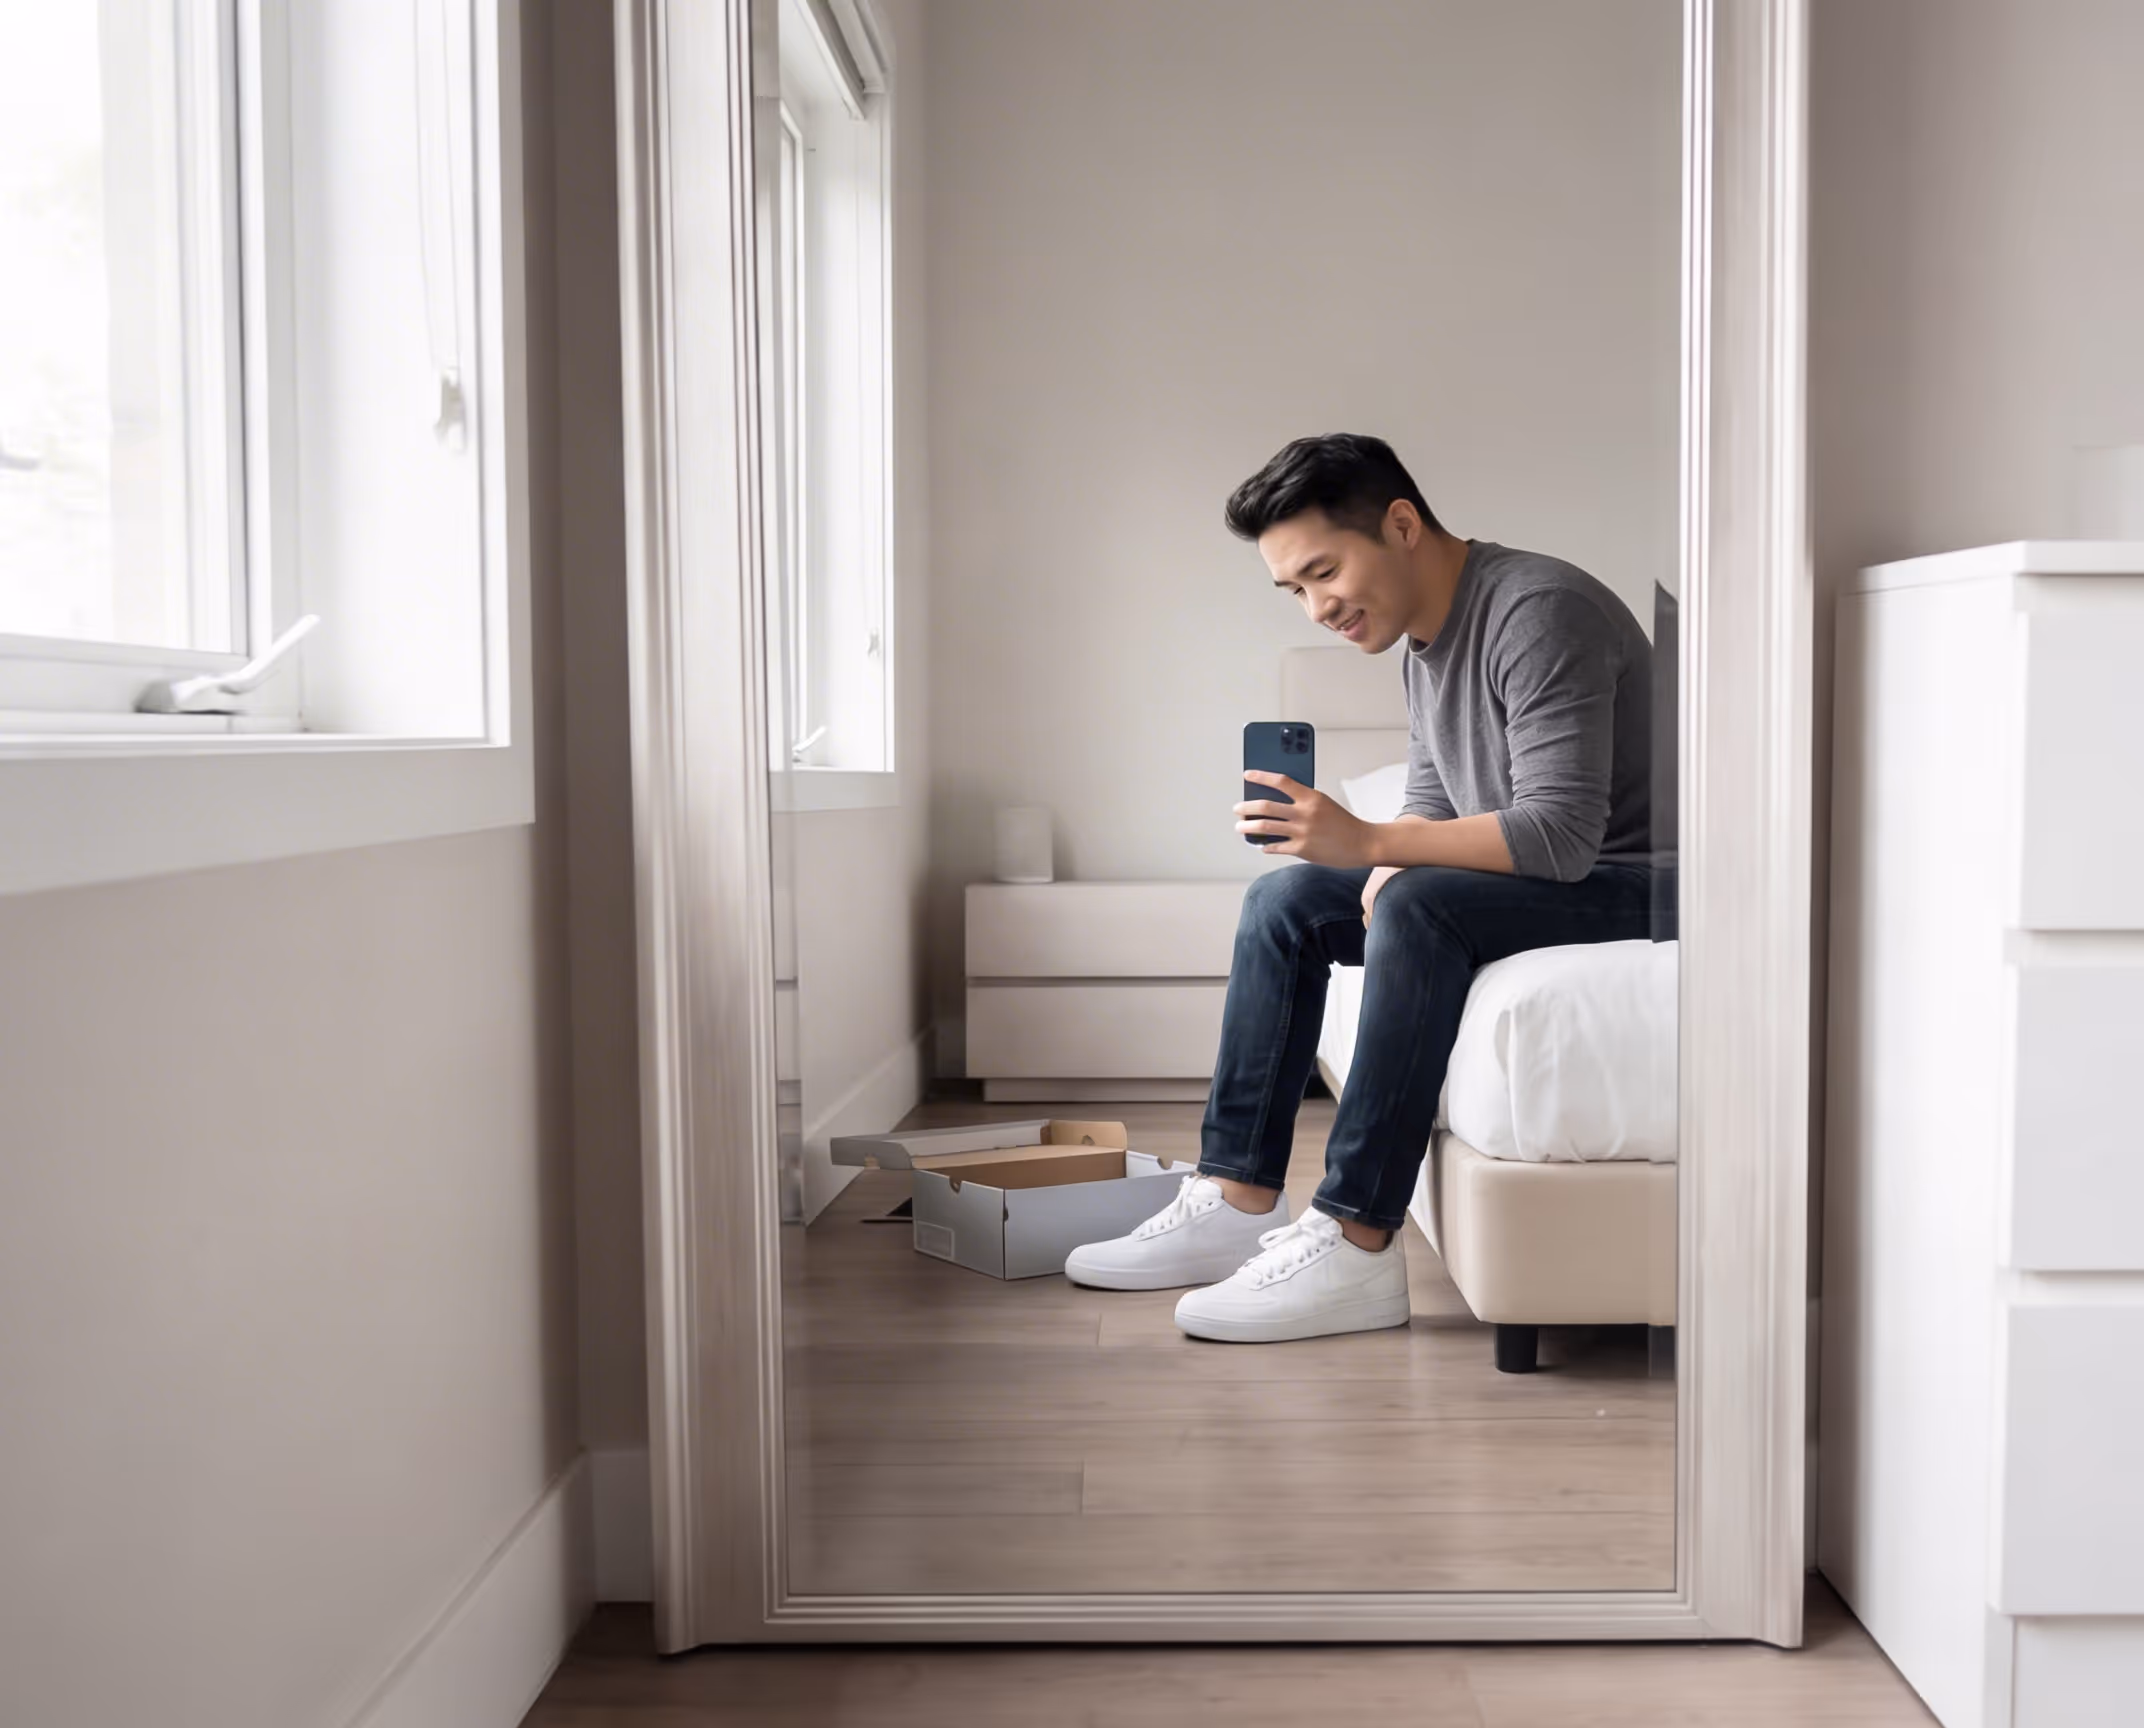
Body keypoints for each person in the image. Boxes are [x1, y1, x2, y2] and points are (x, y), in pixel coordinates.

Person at [1064, 433, 1658, 1342]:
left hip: (1641, 883)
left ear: (1402, 524)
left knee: (1419, 903)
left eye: (1323, 572)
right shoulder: (1425, 644)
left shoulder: (1541, 611)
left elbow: (1564, 835)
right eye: (1294, 590)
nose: (1315, 608)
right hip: (1555, 878)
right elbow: (1435, 800)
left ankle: (1357, 1241)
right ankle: (1235, 1198)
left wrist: (1373, 841)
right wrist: (1371, 860)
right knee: (1288, 903)